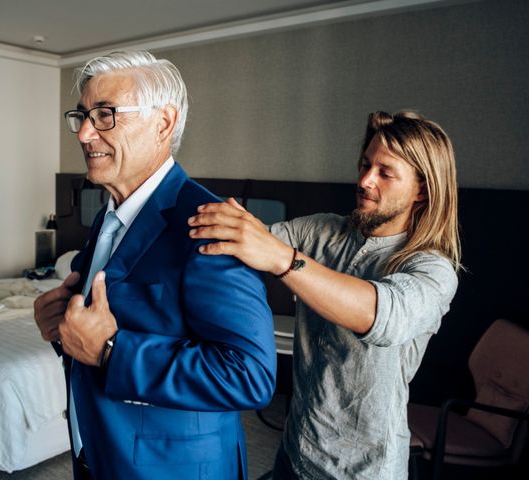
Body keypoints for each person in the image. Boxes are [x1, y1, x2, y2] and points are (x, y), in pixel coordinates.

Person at [33, 50, 276, 480]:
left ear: (163, 122)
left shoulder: (206, 221)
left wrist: (111, 351)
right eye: (83, 115)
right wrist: (63, 327)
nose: (85, 133)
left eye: (105, 115)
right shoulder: (108, 214)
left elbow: (249, 374)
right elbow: (98, 326)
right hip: (99, 456)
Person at [188, 111, 461, 479]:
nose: (365, 180)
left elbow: (379, 314)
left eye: (385, 172)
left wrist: (281, 259)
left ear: (422, 189)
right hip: (295, 450)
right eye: (365, 164)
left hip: (362, 472)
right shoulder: (322, 230)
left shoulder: (432, 269)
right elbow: (250, 246)